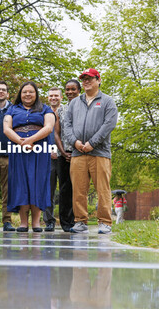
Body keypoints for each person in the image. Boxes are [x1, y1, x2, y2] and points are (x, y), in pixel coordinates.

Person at [64, 68, 118, 234]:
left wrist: (92, 143)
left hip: (99, 153)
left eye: (90, 79)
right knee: (79, 190)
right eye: (84, 79)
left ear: (98, 80)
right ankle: (80, 222)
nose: (86, 82)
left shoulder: (107, 101)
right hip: (78, 153)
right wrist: (75, 142)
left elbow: (109, 125)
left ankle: (105, 222)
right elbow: (67, 125)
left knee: (103, 189)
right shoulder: (74, 103)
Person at [3, 81, 55, 232]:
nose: (27, 94)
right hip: (18, 150)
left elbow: (49, 127)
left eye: (31, 92)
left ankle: (37, 223)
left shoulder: (45, 109)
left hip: (39, 150)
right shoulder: (12, 109)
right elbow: (7, 128)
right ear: (20, 94)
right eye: (24, 91)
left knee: (37, 183)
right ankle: (23, 222)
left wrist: (31, 140)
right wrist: (21, 142)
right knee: (21, 183)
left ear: (36, 93)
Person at [53, 79, 81, 232]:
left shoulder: (85, 108)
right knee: (65, 189)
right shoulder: (61, 110)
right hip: (64, 154)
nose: (70, 92)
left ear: (79, 90)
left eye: (73, 89)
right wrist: (63, 152)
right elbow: (57, 133)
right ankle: (66, 222)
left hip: (80, 153)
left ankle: (79, 220)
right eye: (67, 89)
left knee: (79, 188)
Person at [0, 80, 15, 231]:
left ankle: (7, 221)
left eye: (3, 90)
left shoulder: (14, 109)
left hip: (9, 155)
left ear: (7, 93)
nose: (0, 92)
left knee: (8, 191)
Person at [43, 87, 63, 231]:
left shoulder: (67, 112)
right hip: (47, 157)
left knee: (65, 190)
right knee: (48, 191)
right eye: (51, 96)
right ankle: (49, 221)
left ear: (60, 97)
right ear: (48, 98)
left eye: (56, 95)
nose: (53, 98)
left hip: (64, 156)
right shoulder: (43, 113)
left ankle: (67, 220)